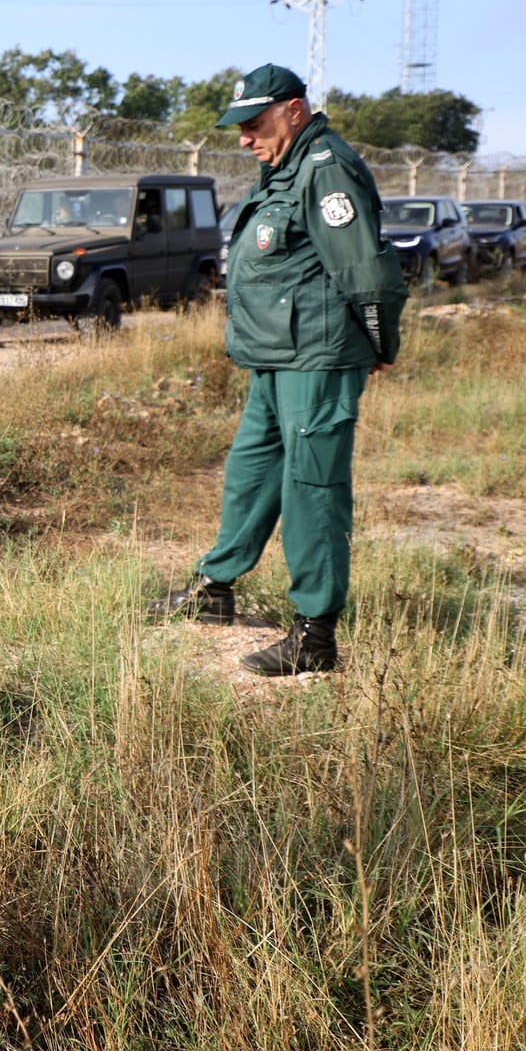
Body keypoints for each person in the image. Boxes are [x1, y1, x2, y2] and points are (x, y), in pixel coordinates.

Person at [152, 64, 407, 675]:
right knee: (251, 470)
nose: (244, 137)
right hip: (275, 358)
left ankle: (314, 635)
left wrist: (377, 343)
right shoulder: (284, 170)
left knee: (311, 488)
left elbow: (364, 270)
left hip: (315, 359)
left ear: (294, 110)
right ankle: (216, 588)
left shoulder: (325, 168)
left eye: (254, 122)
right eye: (239, 126)